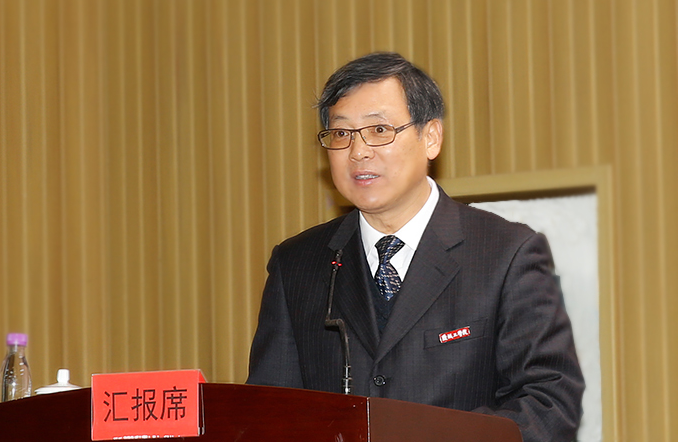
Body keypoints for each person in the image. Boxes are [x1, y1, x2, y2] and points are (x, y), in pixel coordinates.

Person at [247, 52, 584, 441]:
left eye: (379, 130)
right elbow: (269, 414)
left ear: (431, 137)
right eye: (341, 134)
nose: (358, 151)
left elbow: (548, 403)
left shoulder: (506, 253)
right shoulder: (297, 264)